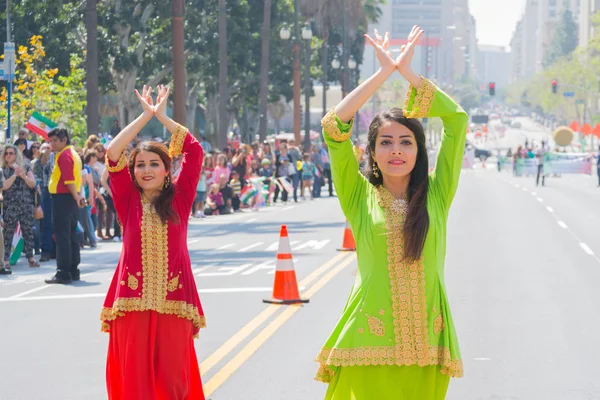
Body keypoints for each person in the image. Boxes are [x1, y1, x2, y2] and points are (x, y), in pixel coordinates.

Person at [315, 27, 465, 399]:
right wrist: (383, 73)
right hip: (366, 345)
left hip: (426, 345)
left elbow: (457, 120)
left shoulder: (437, 194)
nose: (396, 150)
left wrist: (409, 74)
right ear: (372, 152)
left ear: (418, 150)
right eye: (385, 142)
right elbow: (333, 128)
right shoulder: (360, 196)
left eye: (405, 141)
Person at [100, 85, 206, 399]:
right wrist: (145, 117)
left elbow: (195, 150)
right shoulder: (126, 198)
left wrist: (163, 115)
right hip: (131, 302)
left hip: (174, 300)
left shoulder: (181, 198)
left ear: (166, 169)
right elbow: (112, 154)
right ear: (132, 172)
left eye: (154, 164)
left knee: (174, 381)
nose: (147, 170)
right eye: (140, 165)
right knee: (135, 382)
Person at [44, 128, 84, 284]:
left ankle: (63, 272)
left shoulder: (64, 156)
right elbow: (76, 179)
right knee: (71, 235)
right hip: (70, 198)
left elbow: (69, 181)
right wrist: (78, 197)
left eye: (55, 140)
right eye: (51, 140)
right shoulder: (73, 154)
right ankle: (73, 270)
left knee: (62, 236)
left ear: (64, 140)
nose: (52, 144)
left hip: (63, 198)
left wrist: (76, 196)